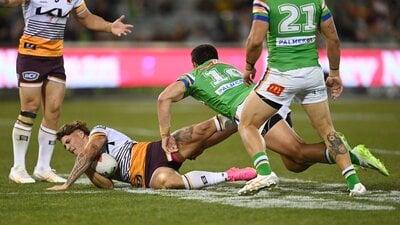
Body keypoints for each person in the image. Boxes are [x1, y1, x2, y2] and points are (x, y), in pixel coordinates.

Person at [157, 44, 389, 196]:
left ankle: (353, 155)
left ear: (195, 64)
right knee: (294, 163)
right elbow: (227, 114)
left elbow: (164, 98)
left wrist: (166, 135)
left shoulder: (193, 77)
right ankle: (341, 151)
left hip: (256, 111)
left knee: (297, 151)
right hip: (270, 100)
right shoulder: (230, 69)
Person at [237, 0, 366, 196]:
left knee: (247, 123)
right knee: (327, 130)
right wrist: (334, 73)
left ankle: (264, 172)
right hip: (312, 74)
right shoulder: (316, 1)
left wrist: (248, 66)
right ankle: (355, 183)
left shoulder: (265, 2)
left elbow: (255, 40)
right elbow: (333, 39)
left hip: (281, 76)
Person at [3, 0, 133, 184]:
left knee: (54, 111)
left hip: (55, 58)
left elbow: (86, 18)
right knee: (30, 108)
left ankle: (43, 168)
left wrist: (109, 26)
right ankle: (18, 168)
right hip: (31, 56)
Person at [47, 120, 256, 191]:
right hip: (147, 178)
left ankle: (242, 118)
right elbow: (108, 186)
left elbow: (90, 150)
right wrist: (89, 169)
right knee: (171, 183)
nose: (67, 148)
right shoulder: (89, 163)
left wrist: (68, 184)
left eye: (67, 142)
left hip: (155, 151)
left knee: (203, 135)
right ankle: (230, 175)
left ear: (79, 134)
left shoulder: (97, 133)